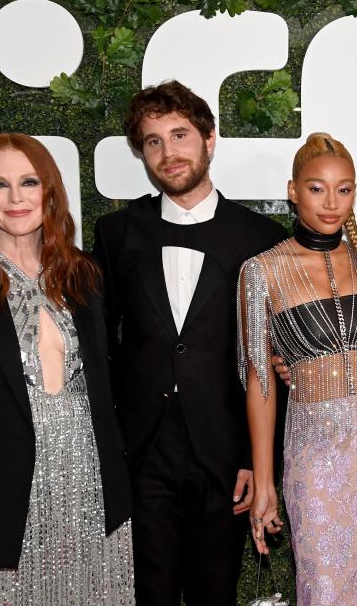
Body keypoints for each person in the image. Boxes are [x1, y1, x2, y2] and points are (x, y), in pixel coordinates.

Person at [92, 81, 286, 605]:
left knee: (214, 592)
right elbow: (101, 346)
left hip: (224, 454)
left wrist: (254, 457)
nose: (169, 152)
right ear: (142, 154)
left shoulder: (261, 239)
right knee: (148, 593)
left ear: (209, 139)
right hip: (143, 450)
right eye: (153, 141)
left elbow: (268, 361)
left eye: (180, 135)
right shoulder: (117, 234)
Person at [0, 133, 134, 604]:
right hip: (2, 493)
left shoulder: (84, 278)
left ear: (49, 191)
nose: (16, 198)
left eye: (29, 182)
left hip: (90, 486)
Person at [241, 132, 357, 603]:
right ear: (292, 189)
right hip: (315, 454)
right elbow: (260, 380)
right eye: (317, 188)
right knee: (325, 586)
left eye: (344, 189)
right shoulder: (261, 271)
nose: (331, 202)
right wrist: (264, 483)